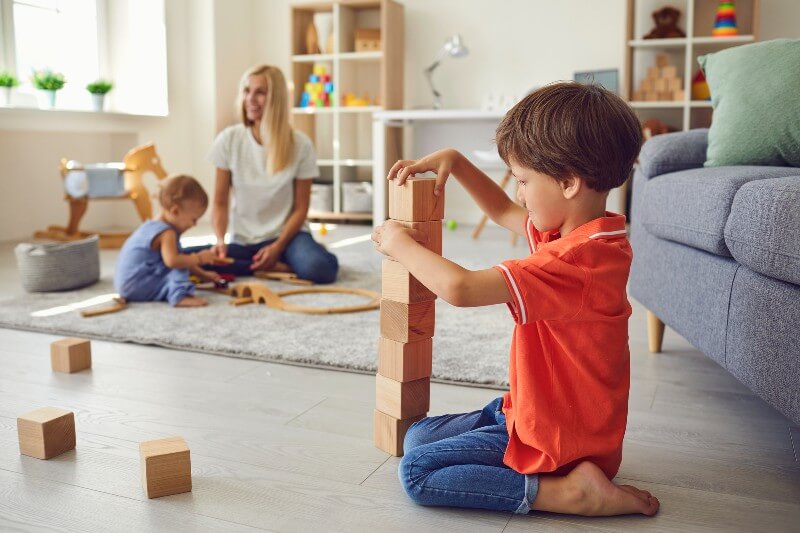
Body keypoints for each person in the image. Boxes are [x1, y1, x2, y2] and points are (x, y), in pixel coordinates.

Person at [371, 82, 660, 517]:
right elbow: (506, 212)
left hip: (559, 439)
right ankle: (536, 449)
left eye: (524, 181)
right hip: (544, 410)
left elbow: (461, 289)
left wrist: (400, 244)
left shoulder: (573, 264)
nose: (519, 193)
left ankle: (570, 492)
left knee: (417, 472)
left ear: (568, 183)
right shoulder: (588, 232)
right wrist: (459, 163)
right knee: (416, 436)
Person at [185, 64, 338, 283]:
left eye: (260, 92)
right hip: (244, 240)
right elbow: (220, 202)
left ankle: (277, 260)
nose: (250, 99)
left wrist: (277, 246)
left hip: (288, 238)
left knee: (319, 269)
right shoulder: (229, 139)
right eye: (247, 91)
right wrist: (219, 240)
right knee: (182, 258)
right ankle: (275, 267)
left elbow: (301, 208)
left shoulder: (301, 145)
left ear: (276, 99)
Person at [114, 175, 226, 307]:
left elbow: (181, 259)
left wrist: (203, 274)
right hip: (138, 285)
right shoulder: (167, 233)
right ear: (175, 211)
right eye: (193, 219)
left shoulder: (151, 225)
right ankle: (178, 296)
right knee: (178, 267)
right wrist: (199, 258)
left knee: (181, 261)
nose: (194, 225)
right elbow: (173, 262)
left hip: (127, 284)